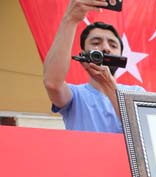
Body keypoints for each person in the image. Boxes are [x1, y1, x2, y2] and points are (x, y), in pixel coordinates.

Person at [43, 0, 144, 133]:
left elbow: (141, 129)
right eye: (96, 42)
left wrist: (108, 84)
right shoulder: (75, 95)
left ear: (120, 54)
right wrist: (71, 19)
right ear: (83, 53)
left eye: (113, 45)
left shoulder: (136, 93)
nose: (105, 48)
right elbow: (52, 84)